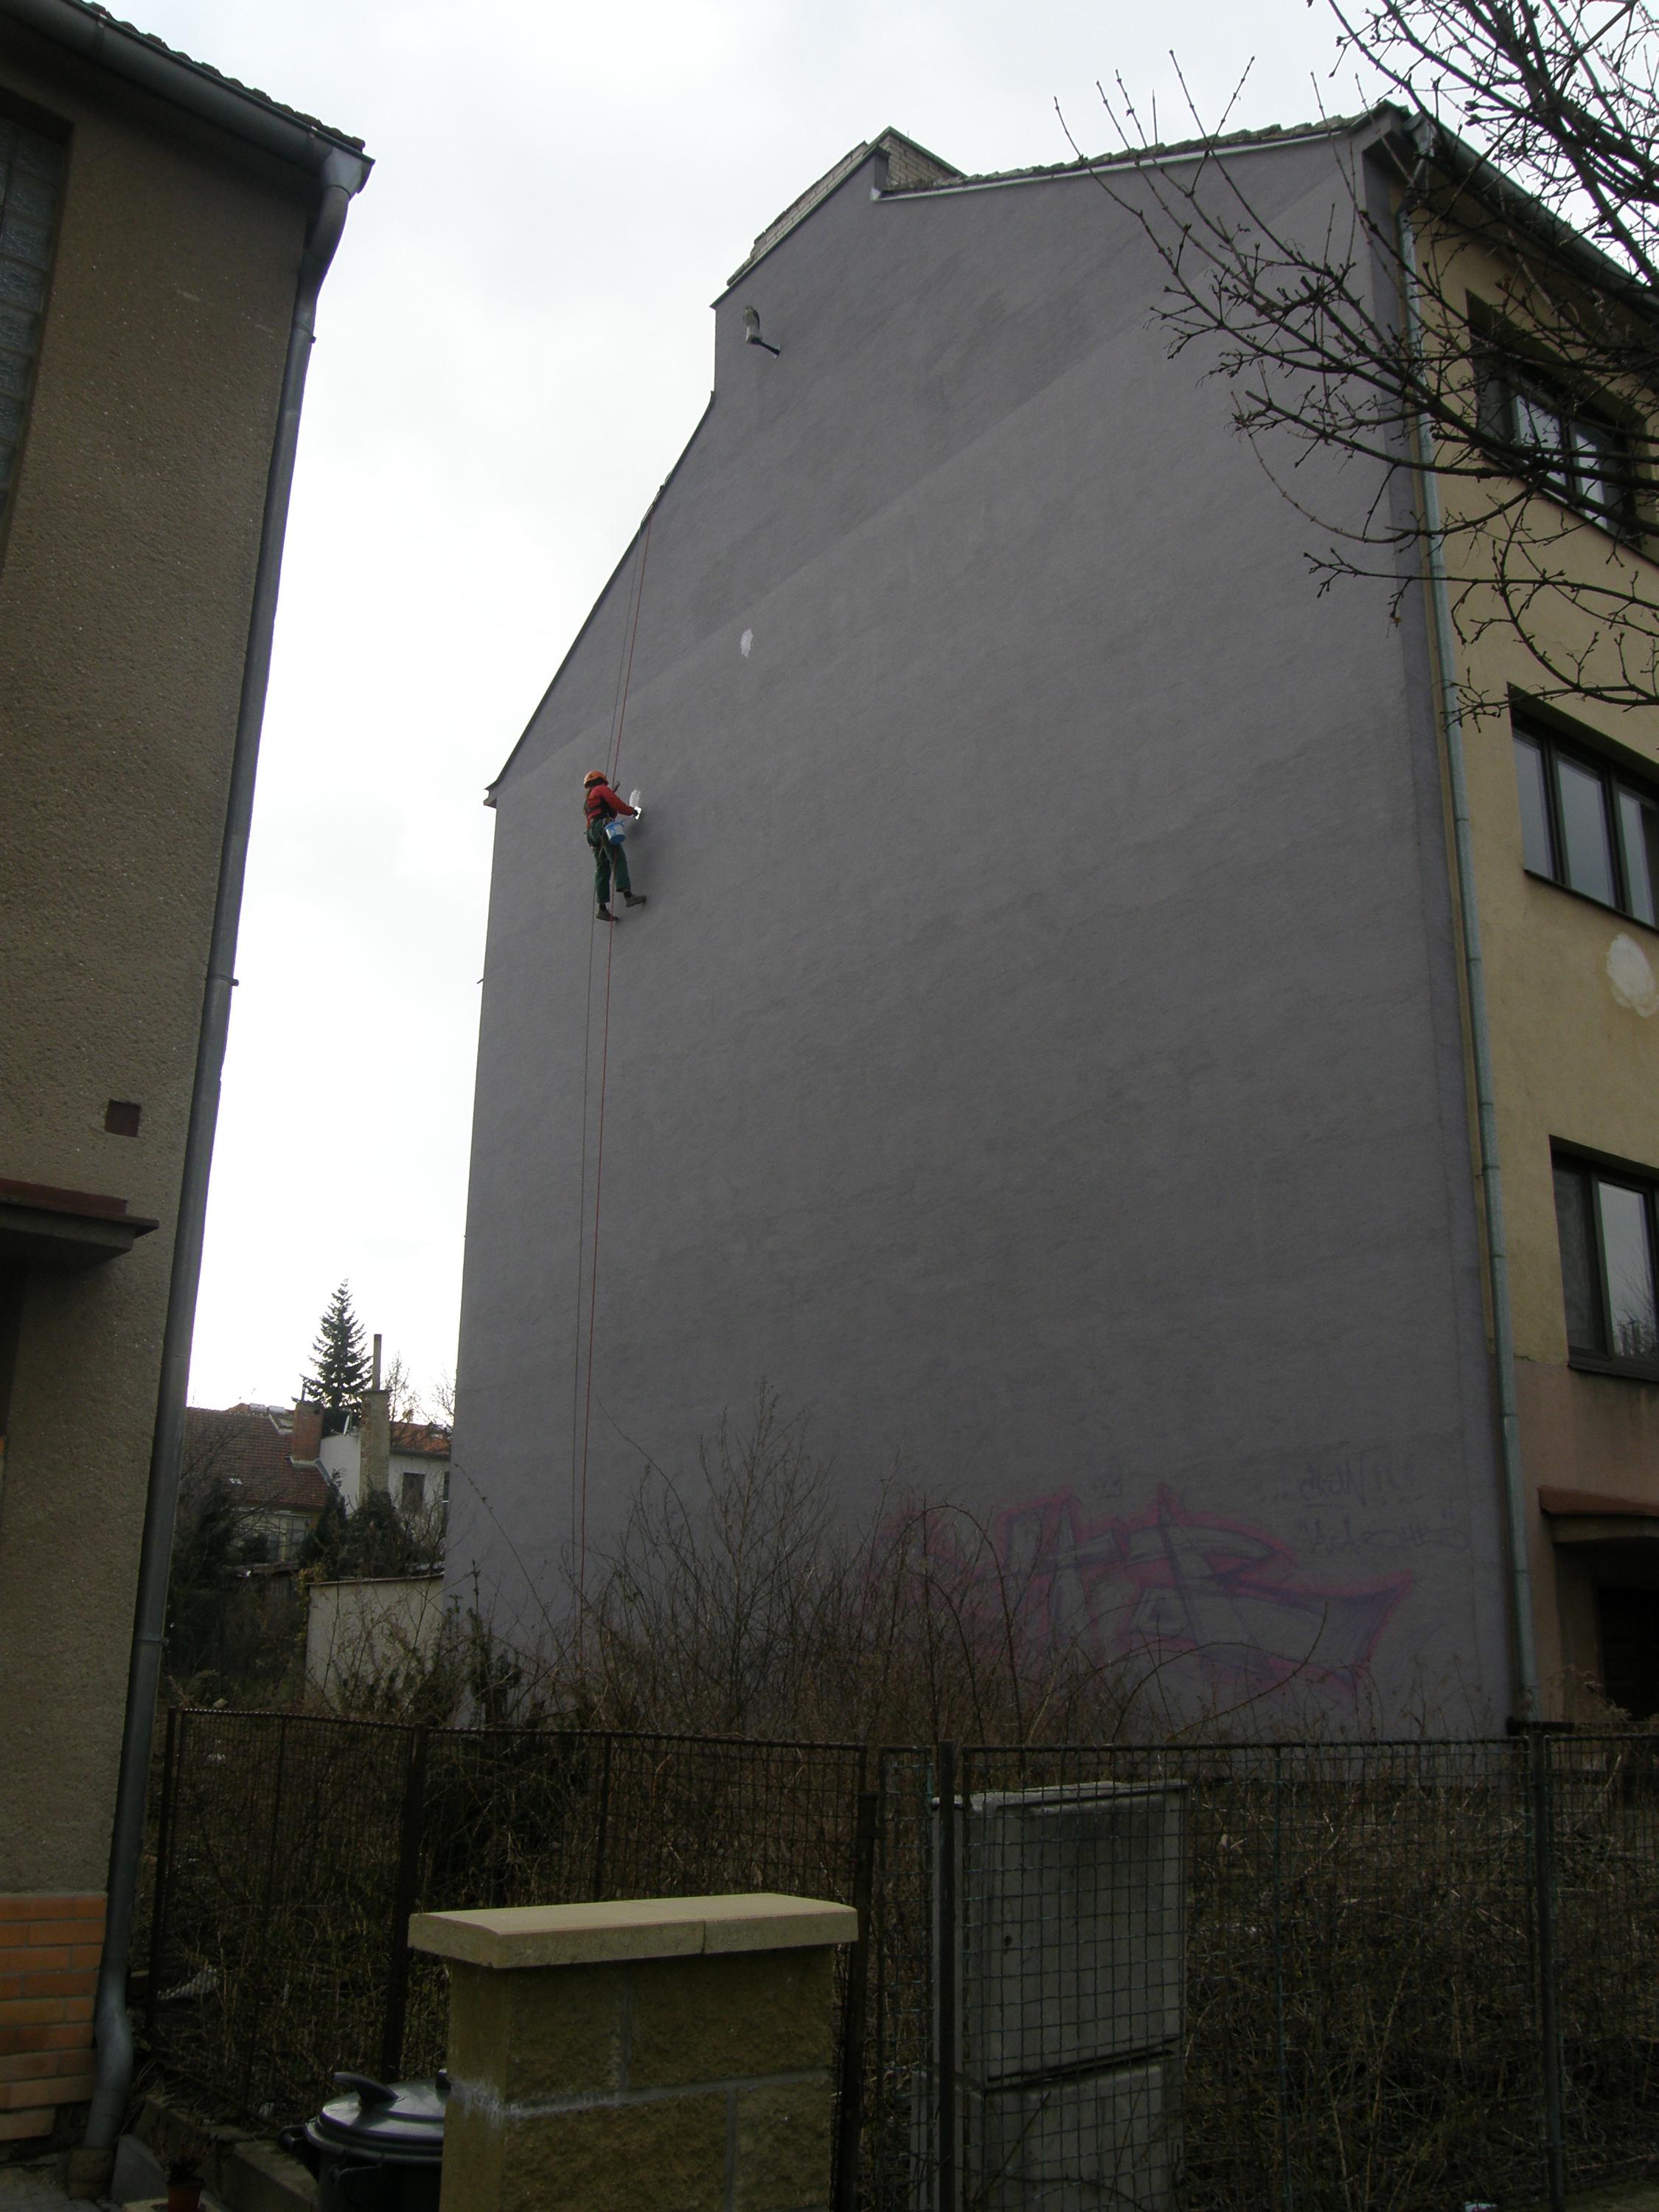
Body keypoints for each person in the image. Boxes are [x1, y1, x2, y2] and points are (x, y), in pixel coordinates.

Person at [582, 768, 647, 921]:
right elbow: (617, 804)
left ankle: (602, 909)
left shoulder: (588, 800)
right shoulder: (601, 789)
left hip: (592, 834)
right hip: (602, 827)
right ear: (601, 781)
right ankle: (628, 896)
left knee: (602, 868)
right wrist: (633, 811)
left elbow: (602, 813)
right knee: (617, 859)